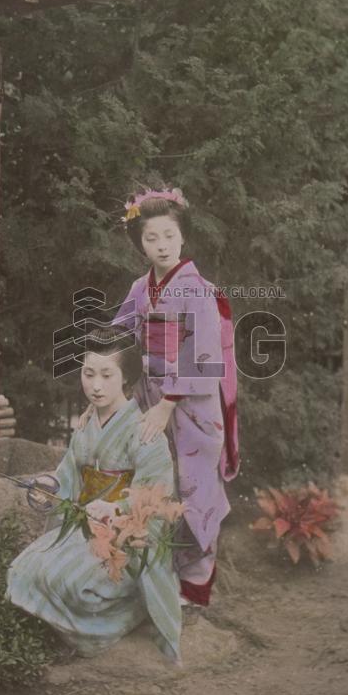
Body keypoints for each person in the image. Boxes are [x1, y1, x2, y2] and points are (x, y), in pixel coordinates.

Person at [80, 186, 240, 610]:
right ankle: (157, 575)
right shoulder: (140, 287)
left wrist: (169, 404)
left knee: (194, 485)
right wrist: (99, 389)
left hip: (191, 404)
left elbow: (204, 354)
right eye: (151, 238)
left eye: (169, 235)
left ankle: (196, 585)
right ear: (140, 244)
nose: (162, 245)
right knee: (155, 484)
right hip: (151, 397)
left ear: (183, 235)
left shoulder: (197, 290)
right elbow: (118, 339)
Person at [5, 326, 183, 663]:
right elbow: (67, 476)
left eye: (106, 375)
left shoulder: (145, 431)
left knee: (73, 583)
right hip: (85, 529)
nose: (95, 385)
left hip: (123, 540)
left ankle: (130, 610)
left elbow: (155, 497)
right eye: (88, 374)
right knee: (23, 568)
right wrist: (49, 489)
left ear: (126, 377)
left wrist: (116, 509)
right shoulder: (86, 425)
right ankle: (71, 627)